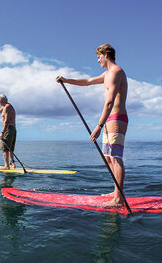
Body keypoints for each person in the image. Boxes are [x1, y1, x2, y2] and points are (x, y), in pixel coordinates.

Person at [56, 43, 128, 207]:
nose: (97, 61)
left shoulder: (116, 72)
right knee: (108, 157)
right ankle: (115, 190)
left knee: (116, 158)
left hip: (116, 118)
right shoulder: (107, 74)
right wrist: (66, 80)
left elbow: (109, 102)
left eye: (98, 57)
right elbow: (87, 81)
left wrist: (98, 126)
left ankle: (119, 198)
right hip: (110, 120)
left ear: (106, 54)